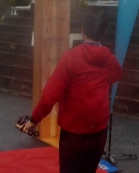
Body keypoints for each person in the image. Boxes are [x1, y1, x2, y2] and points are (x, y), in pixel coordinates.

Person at [22, 9, 122, 173]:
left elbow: (49, 96)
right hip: (98, 130)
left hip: (74, 132)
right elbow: (116, 75)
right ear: (103, 32)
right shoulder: (109, 59)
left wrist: (34, 120)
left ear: (82, 30)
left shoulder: (71, 58)